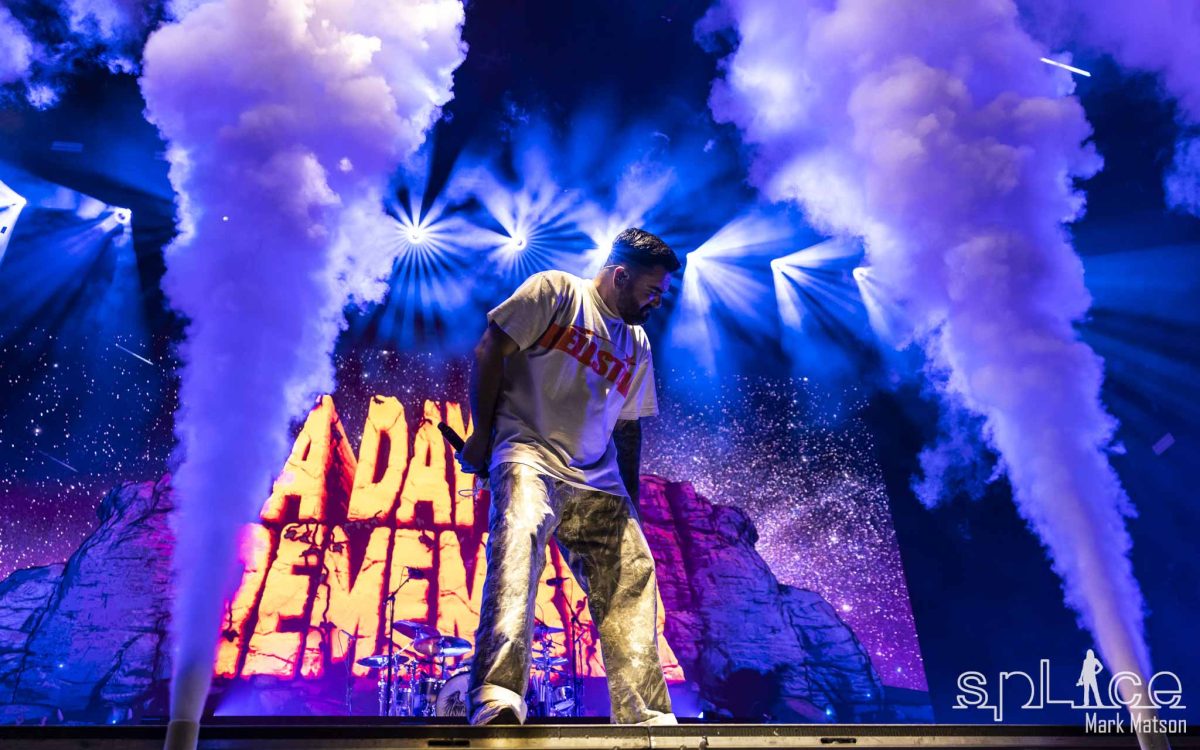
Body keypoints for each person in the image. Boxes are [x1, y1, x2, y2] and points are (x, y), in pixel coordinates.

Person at [456, 227, 681, 726]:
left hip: (596, 476)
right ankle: (497, 694)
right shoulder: (556, 291)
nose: (657, 302)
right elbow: (490, 348)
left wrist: (629, 505)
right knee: (519, 542)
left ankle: (642, 714)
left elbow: (627, 427)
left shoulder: (637, 342)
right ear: (620, 276)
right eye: (652, 291)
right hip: (529, 452)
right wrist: (482, 434)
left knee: (633, 573)